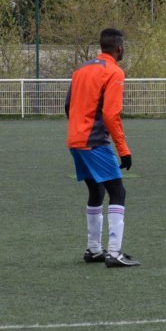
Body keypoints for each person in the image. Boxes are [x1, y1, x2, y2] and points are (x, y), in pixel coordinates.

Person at [65, 27, 139, 267]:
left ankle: (94, 249)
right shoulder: (114, 72)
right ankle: (114, 253)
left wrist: (79, 127)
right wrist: (124, 149)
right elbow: (111, 114)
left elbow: (68, 105)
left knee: (96, 191)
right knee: (118, 192)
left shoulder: (81, 70)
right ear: (119, 48)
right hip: (94, 141)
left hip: (75, 139)